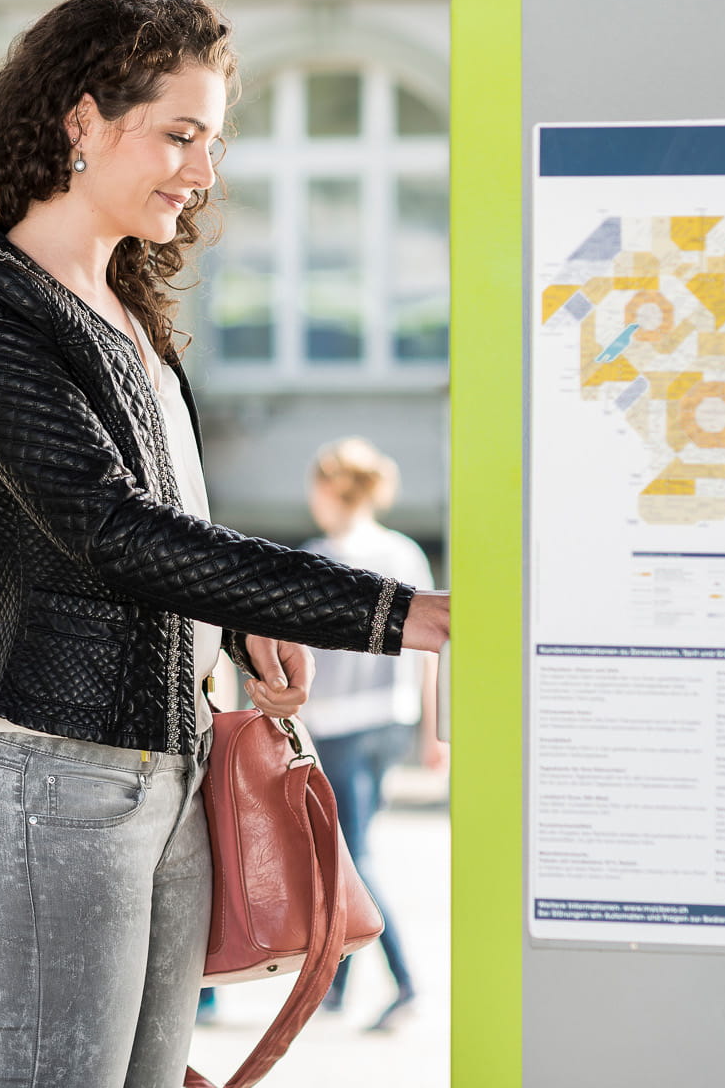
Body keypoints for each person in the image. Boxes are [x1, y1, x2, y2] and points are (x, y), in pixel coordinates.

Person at [0, 0, 451, 1086]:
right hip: (45, 784)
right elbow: (105, 525)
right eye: (177, 133)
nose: (200, 172)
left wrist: (237, 626)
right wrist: (387, 612)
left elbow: (171, 523)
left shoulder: (129, 313)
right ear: (79, 121)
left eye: (210, 141)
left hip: (166, 771)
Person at [301, 436, 441, 1034]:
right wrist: (433, 732)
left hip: (339, 724)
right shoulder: (404, 551)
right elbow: (433, 646)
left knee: (351, 858)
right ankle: (337, 988)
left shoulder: (319, 555)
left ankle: (406, 984)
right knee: (350, 852)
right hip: (393, 718)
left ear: (332, 489)